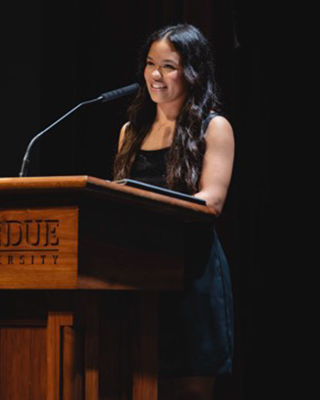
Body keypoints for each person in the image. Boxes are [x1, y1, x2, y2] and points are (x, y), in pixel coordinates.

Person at [113, 23, 235, 400]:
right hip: (141, 275)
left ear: (192, 72)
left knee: (190, 390)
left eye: (169, 66)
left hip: (191, 274)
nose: (155, 75)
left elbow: (211, 201)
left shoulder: (214, 128)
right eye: (151, 64)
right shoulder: (130, 132)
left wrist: (149, 201)